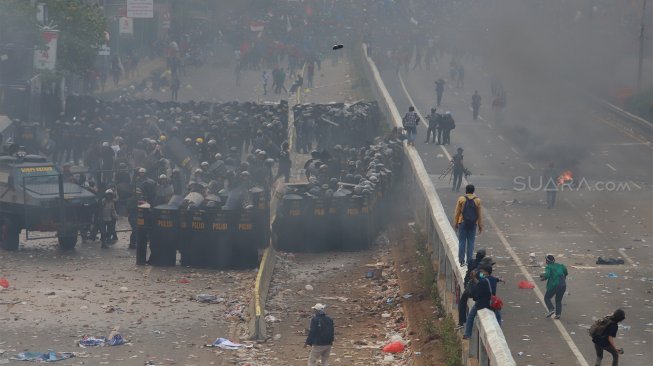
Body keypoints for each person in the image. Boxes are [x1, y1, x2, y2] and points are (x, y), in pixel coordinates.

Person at [463, 264, 500, 339]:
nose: (481, 273)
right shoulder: (493, 279)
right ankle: (499, 332)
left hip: (482, 303)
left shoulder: (483, 281)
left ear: (486, 272)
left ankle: (467, 334)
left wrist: (473, 277)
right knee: (498, 317)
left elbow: (478, 283)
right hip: (491, 302)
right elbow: (495, 279)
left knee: (471, 316)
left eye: (482, 271)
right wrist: (501, 279)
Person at [454, 184, 483, 266]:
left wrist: (456, 223)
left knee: (462, 242)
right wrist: (480, 225)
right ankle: (469, 261)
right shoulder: (477, 200)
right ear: (473, 191)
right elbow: (479, 214)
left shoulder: (461, 199)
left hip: (462, 222)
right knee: (471, 242)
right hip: (473, 224)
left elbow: (457, 212)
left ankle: (461, 261)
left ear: (466, 190)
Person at [458, 249, 487, 328]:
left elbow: (468, 273)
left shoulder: (471, 262)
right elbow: (482, 277)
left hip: (469, 288)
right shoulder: (483, 267)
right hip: (477, 290)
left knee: (462, 302)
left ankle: (461, 321)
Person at [540, 255, 568, 319]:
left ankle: (551, 309)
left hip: (554, 285)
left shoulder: (549, 267)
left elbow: (547, 275)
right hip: (563, 285)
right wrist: (564, 276)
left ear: (547, 261)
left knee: (547, 298)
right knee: (558, 300)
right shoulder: (561, 265)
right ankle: (558, 314)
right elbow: (565, 271)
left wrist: (542, 277)